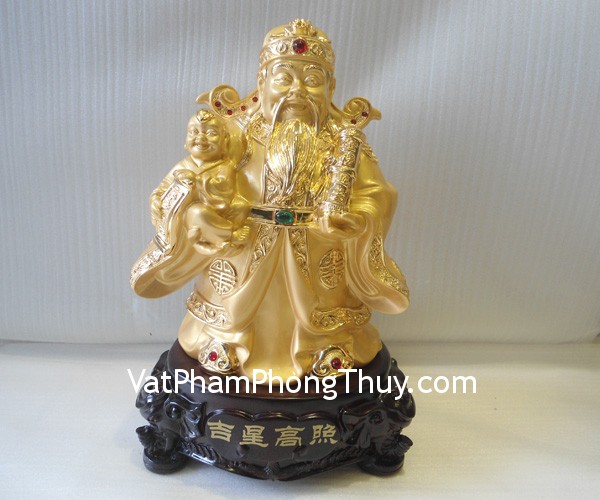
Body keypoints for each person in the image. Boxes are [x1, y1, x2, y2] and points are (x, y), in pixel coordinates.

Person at [132, 19, 409, 382]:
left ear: (331, 88)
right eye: (283, 79)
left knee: (321, 310)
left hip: (318, 245)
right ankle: (225, 343)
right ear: (261, 82)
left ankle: (324, 348)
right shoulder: (234, 134)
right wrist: (195, 207)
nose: (297, 91)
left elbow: (377, 193)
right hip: (246, 243)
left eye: (312, 80)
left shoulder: (345, 141)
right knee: (233, 309)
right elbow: (190, 174)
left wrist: (358, 219)